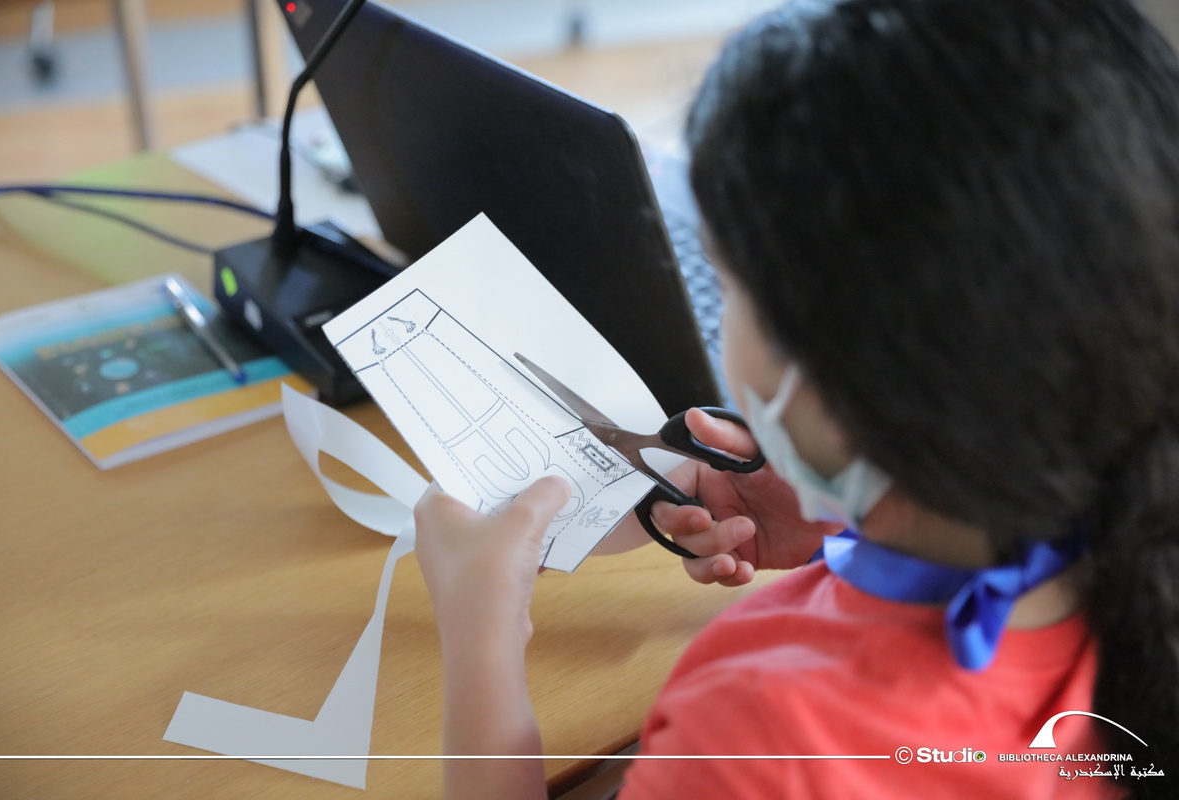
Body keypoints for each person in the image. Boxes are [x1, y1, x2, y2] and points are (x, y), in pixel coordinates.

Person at [412, 0, 1179, 797]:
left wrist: (481, 643)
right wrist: (845, 531)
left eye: (726, 283)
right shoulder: (1130, 529)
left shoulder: (757, 738)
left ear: (835, 381)